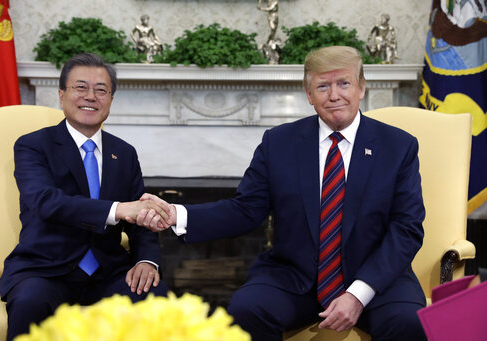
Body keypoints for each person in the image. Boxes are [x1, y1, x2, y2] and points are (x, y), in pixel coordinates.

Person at [140, 46, 427, 340]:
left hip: (377, 281)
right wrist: (177, 214)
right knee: (246, 309)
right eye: (322, 86)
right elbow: (245, 210)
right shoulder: (279, 143)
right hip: (294, 276)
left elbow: (406, 229)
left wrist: (358, 293)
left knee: (410, 322)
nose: (334, 95)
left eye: (344, 83)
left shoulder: (398, 147)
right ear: (309, 94)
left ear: (361, 88)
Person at [0, 53, 170, 341]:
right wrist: (117, 210)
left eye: (101, 90)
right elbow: (46, 202)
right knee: (30, 303)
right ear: (62, 95)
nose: (90, 96)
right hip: (45, 269)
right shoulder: (33, 145)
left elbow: (139, 218)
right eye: (80, 87)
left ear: (111, 100)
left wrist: (147, 262)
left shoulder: (124, 153)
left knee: (156, 298)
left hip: (108, 271)